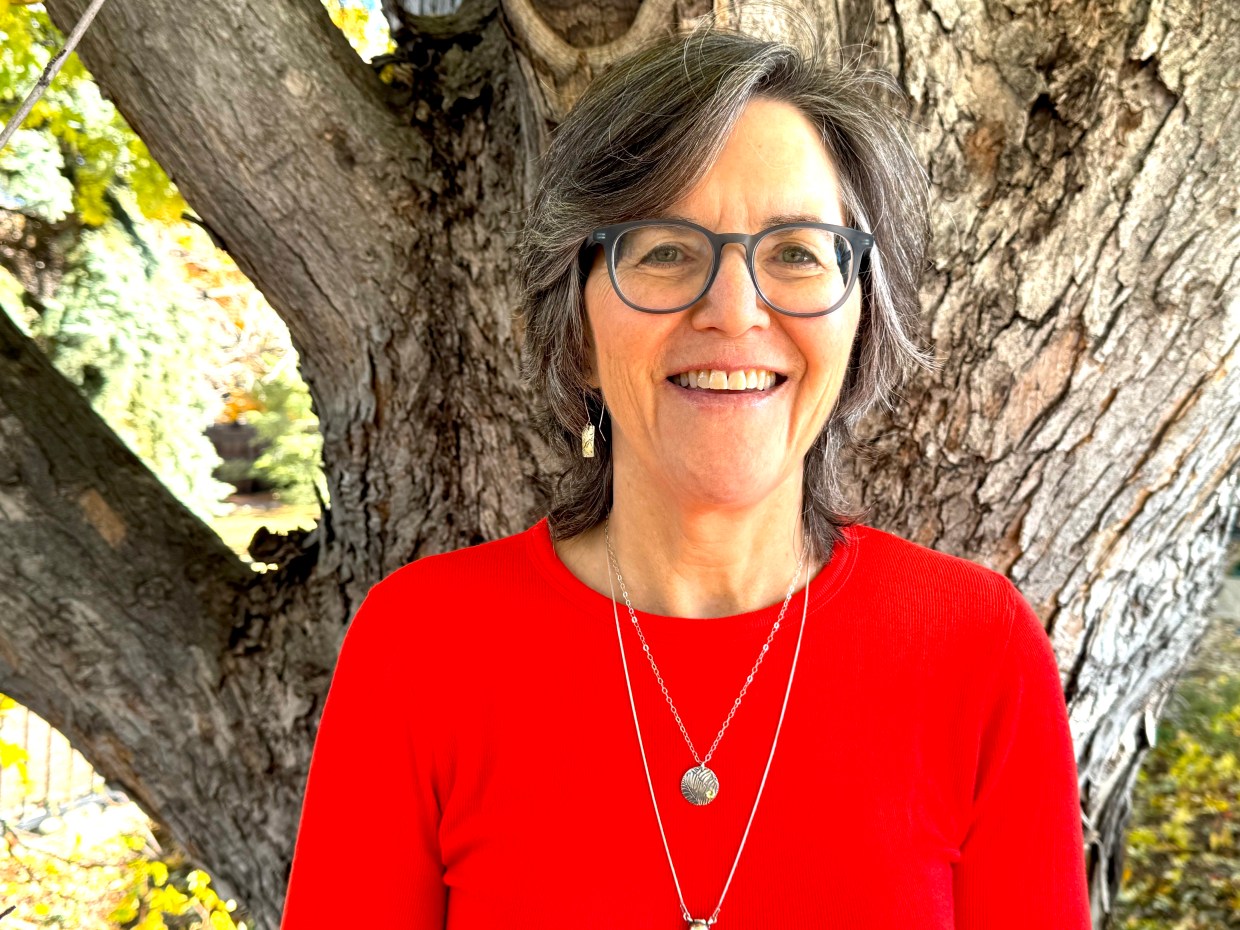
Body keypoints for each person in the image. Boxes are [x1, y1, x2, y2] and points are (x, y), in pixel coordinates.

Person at [279, 26, 1091, 930]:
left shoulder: (976, 650)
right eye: (665, 250)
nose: (734, 311)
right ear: (576, 326)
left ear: (862, 317)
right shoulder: (422, 649)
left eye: (797, 252)